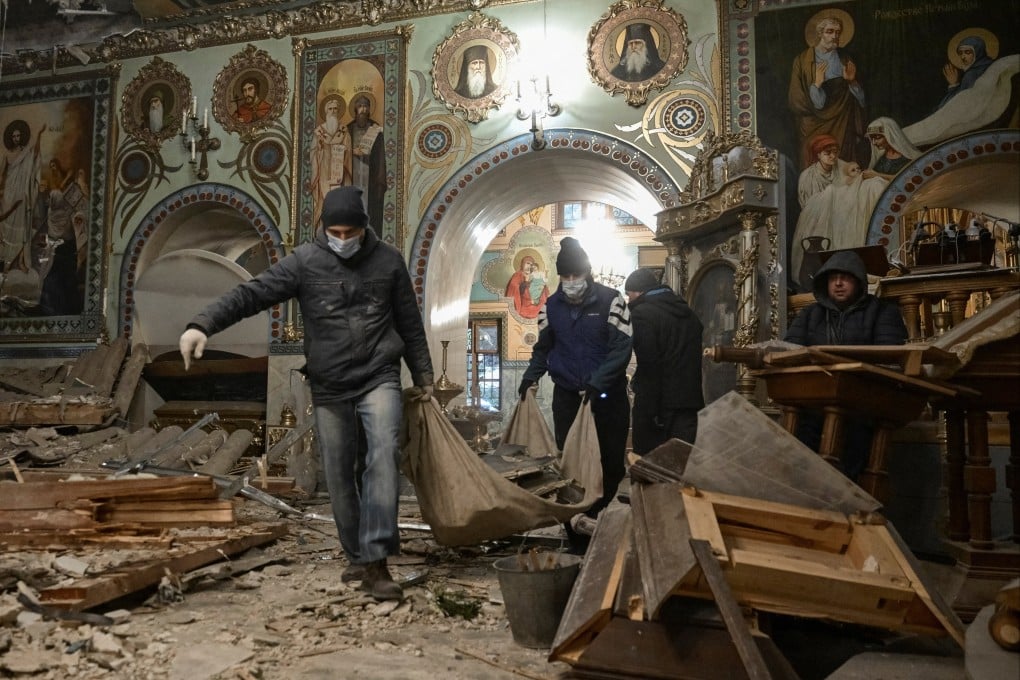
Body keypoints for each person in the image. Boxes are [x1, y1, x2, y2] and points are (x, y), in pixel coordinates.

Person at [178, 186, 435, 601]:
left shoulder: (389, 262)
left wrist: (424, 375)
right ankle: (356, 555)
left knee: (383, 456)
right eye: (336, 231)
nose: (344, 239)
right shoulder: (304, 262)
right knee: (337, 472)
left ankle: (376, 562)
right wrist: (201, 324)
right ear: (323, 228)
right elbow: (251, 294)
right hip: (330, 381)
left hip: (379, 373)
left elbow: (410, 321)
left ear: (365, 228)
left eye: (351, 232)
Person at [518, 237, 632, 551]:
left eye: (575, 276)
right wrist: (530, 377)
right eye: (565, 277)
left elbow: (621, 349)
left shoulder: (612, 301)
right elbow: (543, 349)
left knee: (610, 464)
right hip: (568, 397)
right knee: (570, 467)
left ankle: (596, 514)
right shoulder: (550, 307)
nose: (571, 283)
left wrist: (600, 381)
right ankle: (576, 534)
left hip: (606, 398)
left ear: (588, 273)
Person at [784, 250, 907, 482]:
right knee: (800, 454)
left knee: (851, 460)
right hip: (814, 403)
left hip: (861, 408)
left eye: (846, 277)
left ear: (859, 281)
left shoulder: (881, 312)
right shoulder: (811, 315)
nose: (838, 283)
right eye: (832, 278)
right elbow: (790, 352)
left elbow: (890, 359)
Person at [624, 268, 704, 454]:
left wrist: (650, 411)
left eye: (629, 295)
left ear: (638, 292)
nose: (629, 301)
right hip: (689, 404)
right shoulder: (688, 312)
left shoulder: (642, 314)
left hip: (659, 408)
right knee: (681, 468)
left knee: (650, 469)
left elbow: (649, 364)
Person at [788, 14, 868, 169]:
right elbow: (795, 100)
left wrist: (852, 82)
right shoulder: (802, 60)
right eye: (830, 32)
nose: (835, 36)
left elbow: (862, 100)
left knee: (842, 165)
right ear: (820, 34)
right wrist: (816, 85)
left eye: (838, 32)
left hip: (842, 122)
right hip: (813, 126)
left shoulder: (845, 58)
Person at [1, 120, 45, 274]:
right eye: (13, 136)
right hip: (9, 196)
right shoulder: (7, 155)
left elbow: (36, 155)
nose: (16, 138)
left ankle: (20, 261)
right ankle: (7, 261)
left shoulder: (27, 152)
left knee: (24, 227)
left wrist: (39, 135)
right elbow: (2, 176)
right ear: (10, 138)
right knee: (7, 231)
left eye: (18, 135)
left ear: (22, 136)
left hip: (22, 195)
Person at [346, 94, 387, 233]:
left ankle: (367, 233)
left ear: (369, 109)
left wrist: (380, 180)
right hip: (353, 172)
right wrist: (352, 152)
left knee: (369, 205)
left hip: (370, 172)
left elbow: (380, 155)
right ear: (355, 109)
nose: (362, 109)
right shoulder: (348, 129)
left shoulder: (375, 130)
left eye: (365, 106)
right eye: (360, 106)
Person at [310, 95, 353, 225]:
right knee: (325, 199)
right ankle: (323, 229)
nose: (333, 111)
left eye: (335, 109)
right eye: (330, 109)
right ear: (326, 111)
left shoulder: (343, 130)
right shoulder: (319, 132)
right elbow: (312, 152)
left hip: (339, 172)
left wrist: (343, 152)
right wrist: (320, 150)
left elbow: (349, 150)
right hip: (323, 171)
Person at [936, 35, 997, 111]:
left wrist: (953, 85)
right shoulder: (990, 65)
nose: (963, 57)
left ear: (978, 52)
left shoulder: (971, 74)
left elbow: (952, 105)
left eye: (967, 52)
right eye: (960, 53)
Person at [505, 253, 548, 319]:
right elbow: (514, 287)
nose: (529, 266)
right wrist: (525, 283)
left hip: (536, 303)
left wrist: (542, 287)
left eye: (531, 265)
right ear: (523, 264)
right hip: (523, 305)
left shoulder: (534, 275)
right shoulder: (517, 275)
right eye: (527, 263)